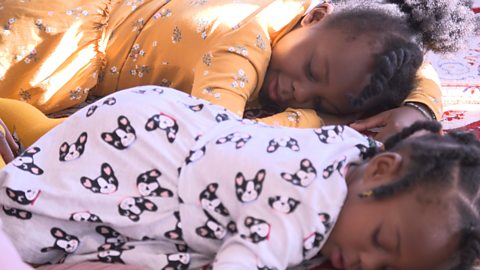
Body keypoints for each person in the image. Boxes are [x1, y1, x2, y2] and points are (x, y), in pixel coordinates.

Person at [1, 85, 479, 270]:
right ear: (381, 169)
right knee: (25, 226)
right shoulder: (306, 202)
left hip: (167, 134)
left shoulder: (355, 156)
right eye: (380, 240)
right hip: (136, 155)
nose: (367, 265)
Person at [0, 0, 476, 148]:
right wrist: (322, 121)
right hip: (56, 40)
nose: (295, 90)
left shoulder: (329, 33)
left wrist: (417, 107)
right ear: (316, 16)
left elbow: (403, 62)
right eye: (310, 71)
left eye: (317, 98)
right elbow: (210, 140)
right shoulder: (242, 48)